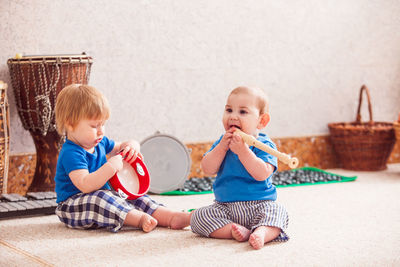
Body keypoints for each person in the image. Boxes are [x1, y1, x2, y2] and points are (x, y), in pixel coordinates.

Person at [54, 84, 190, 233]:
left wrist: (132, 146)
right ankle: (139, 219)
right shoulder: (71, 153)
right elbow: (85, 185)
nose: (101, 131)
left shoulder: (101, 141)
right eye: (94, 126)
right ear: (70, 124)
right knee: (101, 197)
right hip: (73, 206)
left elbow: (121, 146)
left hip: (103, 199)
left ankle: (171, 217)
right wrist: (111, 167)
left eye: (103, 124)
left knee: (131, 196)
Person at [190, 86, 289, 249]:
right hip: (225, 208)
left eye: (243, 112)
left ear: (261, 121)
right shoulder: (223, 142)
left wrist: (243, 152)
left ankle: (262, 232)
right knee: (198, 218)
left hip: (260, 205)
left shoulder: (265, 145)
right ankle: (233, 231)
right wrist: (221, 148)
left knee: (278, 212)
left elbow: (262, 173)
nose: (233, 116)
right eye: (229, 110)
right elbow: (207, 168)